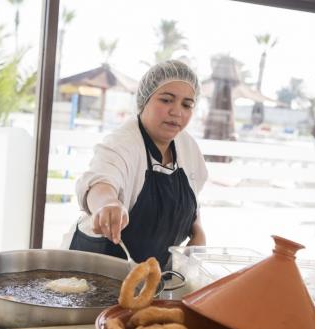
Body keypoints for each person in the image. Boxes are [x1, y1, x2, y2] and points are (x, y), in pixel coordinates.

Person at [63, 59, 208, 270]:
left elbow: (192, 199)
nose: (176, 111)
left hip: (150, 277)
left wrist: (198, 230)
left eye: (186, 104)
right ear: (144, 100)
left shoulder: (188, 147)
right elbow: (100, 183)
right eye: (166, 100)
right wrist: (107, 205)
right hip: (91, 273)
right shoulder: (123, 143)